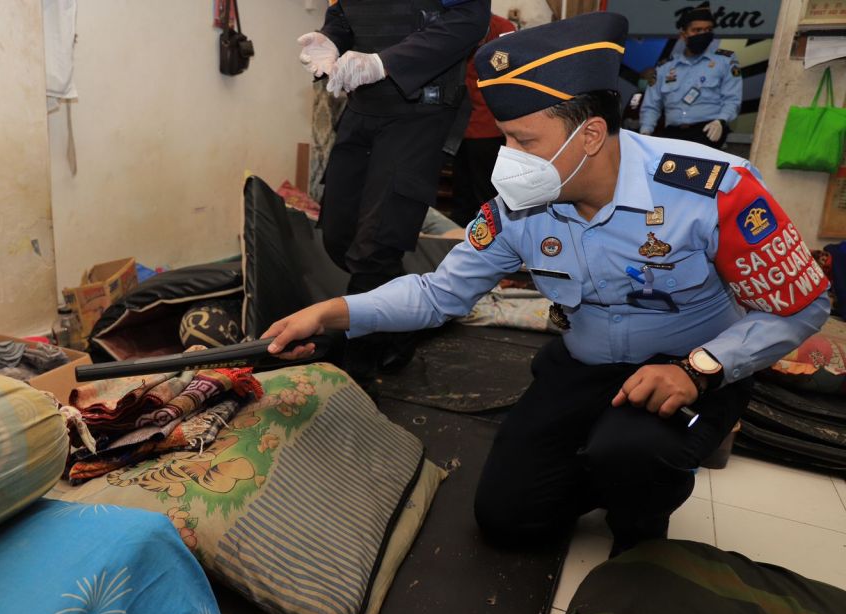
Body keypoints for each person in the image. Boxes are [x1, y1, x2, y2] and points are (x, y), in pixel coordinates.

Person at [267, 11, 831, 556]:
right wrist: (330, 312)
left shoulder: (711, 190)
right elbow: (439, 293)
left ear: (590, 135)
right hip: (584, 364)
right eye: (505, 140)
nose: (508, 159)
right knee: (507, 519)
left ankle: (639, 512)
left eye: (524, 141)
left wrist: (700, 369)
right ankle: (606, 465)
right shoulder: (520, 207)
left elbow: (803, 306)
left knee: (633, 454)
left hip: (686, 369)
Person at [296, 0, 490, 379]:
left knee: (375, 247)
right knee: (339, 236)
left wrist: (385, 63)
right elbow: (344, 14)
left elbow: (469, 20)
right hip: (363, 107)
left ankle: (358, 371)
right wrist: (331, 39)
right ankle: (404, 318)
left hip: (419, 111)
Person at [639, 2, 742, 149]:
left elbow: (732, 99)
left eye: (708, 30)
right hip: (673, 134)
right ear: (683, 35)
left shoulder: (725, 61)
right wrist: (645, 132)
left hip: (708, 131)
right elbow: (651, 105)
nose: (703, 34)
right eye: (697, 30)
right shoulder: (665, 67)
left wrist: (721, 121)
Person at [451, 13, 516, 227]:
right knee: (465, 195)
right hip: (463, 128)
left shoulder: (501, 29)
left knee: (482, 197)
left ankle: (484, 239)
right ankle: (462, 239)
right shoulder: (459, 24)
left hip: (485, 128)